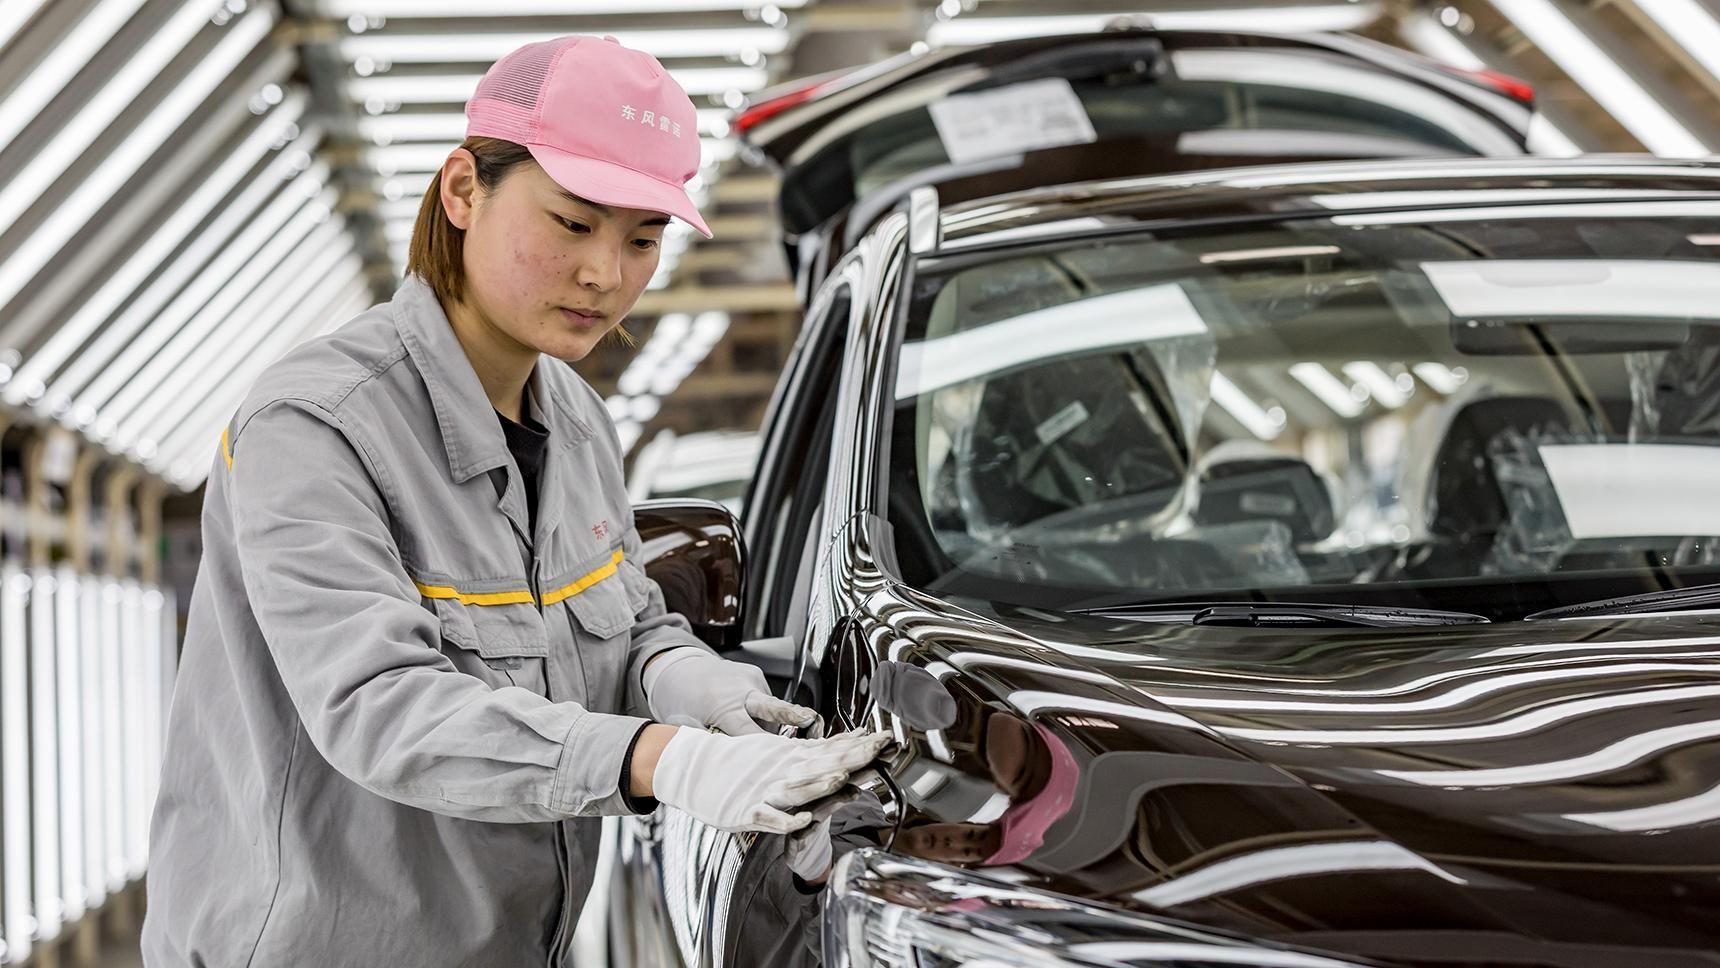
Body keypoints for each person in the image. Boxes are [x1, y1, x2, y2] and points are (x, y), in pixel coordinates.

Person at [141, 35, 888, 967]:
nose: (606, 274)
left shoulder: (576, 419)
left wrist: (682, 677)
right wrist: (663, 759)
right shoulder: (315, 426)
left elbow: (624, 619)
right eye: (573, 223)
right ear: (464, 191)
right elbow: (379, 706)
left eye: (642, 239)